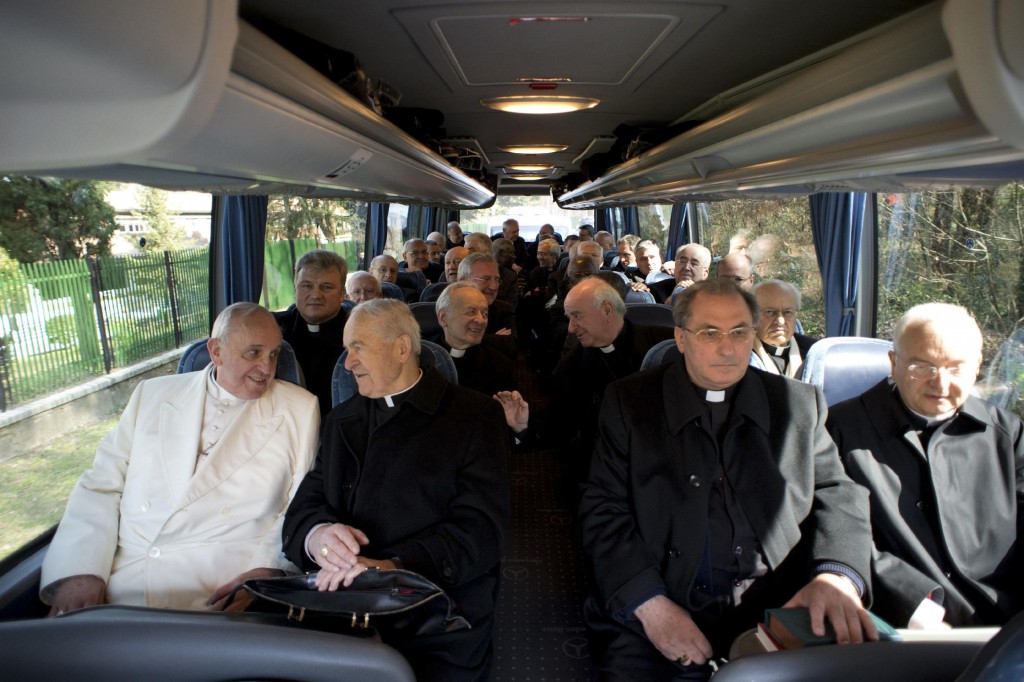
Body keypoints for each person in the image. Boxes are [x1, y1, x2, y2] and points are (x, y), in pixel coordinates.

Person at [579, 279, 876, 679]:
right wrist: (650, 605)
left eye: (740, 332)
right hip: (662, 596)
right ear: (681, 339)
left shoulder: (798, 404)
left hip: (778, 604)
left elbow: (837, 492)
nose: (727, 347)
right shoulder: (630, 404)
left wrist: (836, 576)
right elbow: (603, 510)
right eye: (709, 333)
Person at [282, 299, 510, 681]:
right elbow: (308, 504)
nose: (348, 363)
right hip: (343, 601)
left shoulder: (474, 416)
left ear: (402, 348)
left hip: (435, 607)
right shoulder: (340, 421)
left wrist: (392, 569)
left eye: (358, 348)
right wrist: (318, 536)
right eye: (346, 350)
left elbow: (481, 529)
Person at [41, 303, 319, 614]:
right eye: (253, 353)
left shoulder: (300, 409)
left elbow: (298, 504)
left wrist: (265, 575)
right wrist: (82, 571)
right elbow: (101, 485)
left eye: (273, 354)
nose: (267, 369)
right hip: (124, 586)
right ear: (216, 352)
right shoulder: (151, 395)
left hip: (222, 593)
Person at [827, 303, 1023, 628]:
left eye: (956, 368)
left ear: (977, 367)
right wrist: (912, 606)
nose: (941, 384)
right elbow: (833, 531)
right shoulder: (836, 431)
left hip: (1006, 622)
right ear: (893, 364)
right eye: (923, 366)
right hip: (897, 623)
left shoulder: (1008, 435)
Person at [497, 277, 673, 488]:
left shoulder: (667, 347)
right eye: (569, 317)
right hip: (608, 467)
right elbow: (560, 417)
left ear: (607, 310)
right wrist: (523, 426)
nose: (571, 328)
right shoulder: (573, 363)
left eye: (577, 316)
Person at [274, 250, 348, 415]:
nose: (315, 295)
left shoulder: (358, 334)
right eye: (306, 286)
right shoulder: (271, 329)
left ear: (342, 294)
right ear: (295, 289)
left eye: (326, 287)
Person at [432, 282, 516, 397]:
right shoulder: (419, 358)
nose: (481, 320)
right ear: (443, 318)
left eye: (485, 314)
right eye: (471, 312)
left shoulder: (500, 366)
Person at [751, 279, 816, 378]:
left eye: (788, 312)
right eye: (769, 312)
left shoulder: (812, 352)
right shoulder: (741, 354)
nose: (780, 321)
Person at [458, 252, 517, 357]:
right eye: (485, 279)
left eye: (497, 280)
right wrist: (494, 338)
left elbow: (511, 347)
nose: (494, 287)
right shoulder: (449, 309)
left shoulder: (504, 309)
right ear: (464, 281)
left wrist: (471, 339)